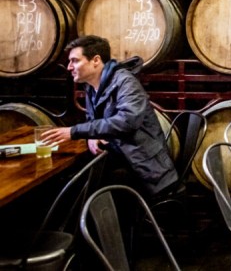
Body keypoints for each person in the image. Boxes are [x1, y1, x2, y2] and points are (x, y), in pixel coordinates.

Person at [41, 35, 178, 198]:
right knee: (73, 182)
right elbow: (96, 121)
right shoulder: (91, 87)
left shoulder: (126, 82)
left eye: (75, 61)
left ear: (96, 60)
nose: (69, 67)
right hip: (123, 158)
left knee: (85, 187)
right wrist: (93, 137)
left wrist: (74, 131)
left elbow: (127, 122)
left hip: (145, 168)